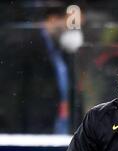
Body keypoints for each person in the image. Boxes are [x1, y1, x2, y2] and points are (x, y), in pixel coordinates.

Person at [0, 6, 83, 134]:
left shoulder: (63, 49)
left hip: (60, 122)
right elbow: (13, 92)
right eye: (70, 24)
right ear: (53, 19)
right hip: (33, 127)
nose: (71, 30)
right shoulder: (25, 45)